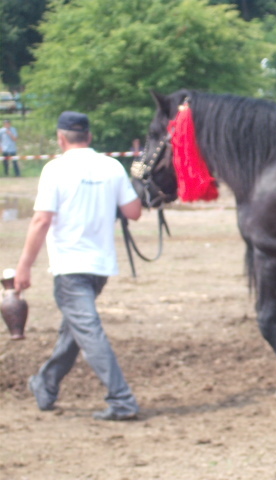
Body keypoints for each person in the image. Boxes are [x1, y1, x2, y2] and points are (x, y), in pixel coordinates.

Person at [14, 111, 142, 421]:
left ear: (60, 138)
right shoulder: (112, 166)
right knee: (75, 330)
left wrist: (24, 267)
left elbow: (42, 219)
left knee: (89, 332)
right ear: (90, 136)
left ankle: (122, 400)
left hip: (70, 266)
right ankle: (45, 384)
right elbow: (134, 211)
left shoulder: (55, 169)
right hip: (99, 267)